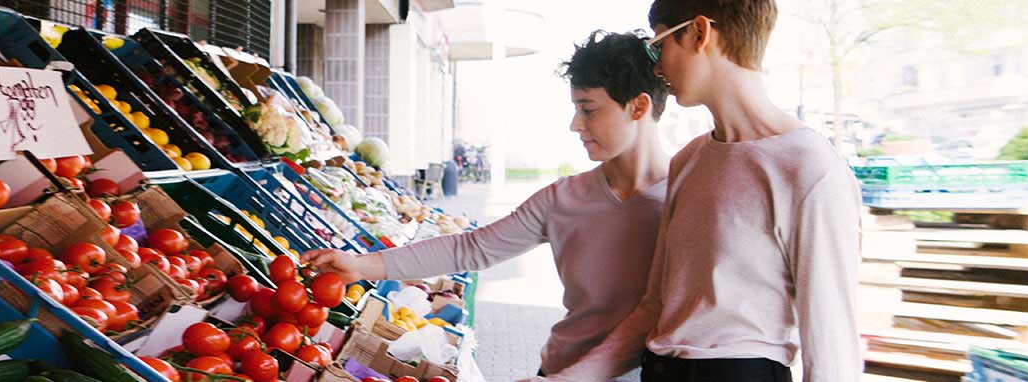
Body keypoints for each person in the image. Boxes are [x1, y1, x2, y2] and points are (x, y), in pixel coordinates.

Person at [302, 31, 670, 381]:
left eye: (588, 109)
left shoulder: (686, 202)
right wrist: (361, 266)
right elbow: (471, 247)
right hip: (557, 371)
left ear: (638, 106)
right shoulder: (564, 198)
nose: (575, 124)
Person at [552, 1, 863, 381]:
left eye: (658, 44)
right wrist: (566, 378)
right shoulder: (690, 161)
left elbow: (832, 348)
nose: (655, 65)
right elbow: (656, 307)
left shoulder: (809, 168)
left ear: (699, 33)